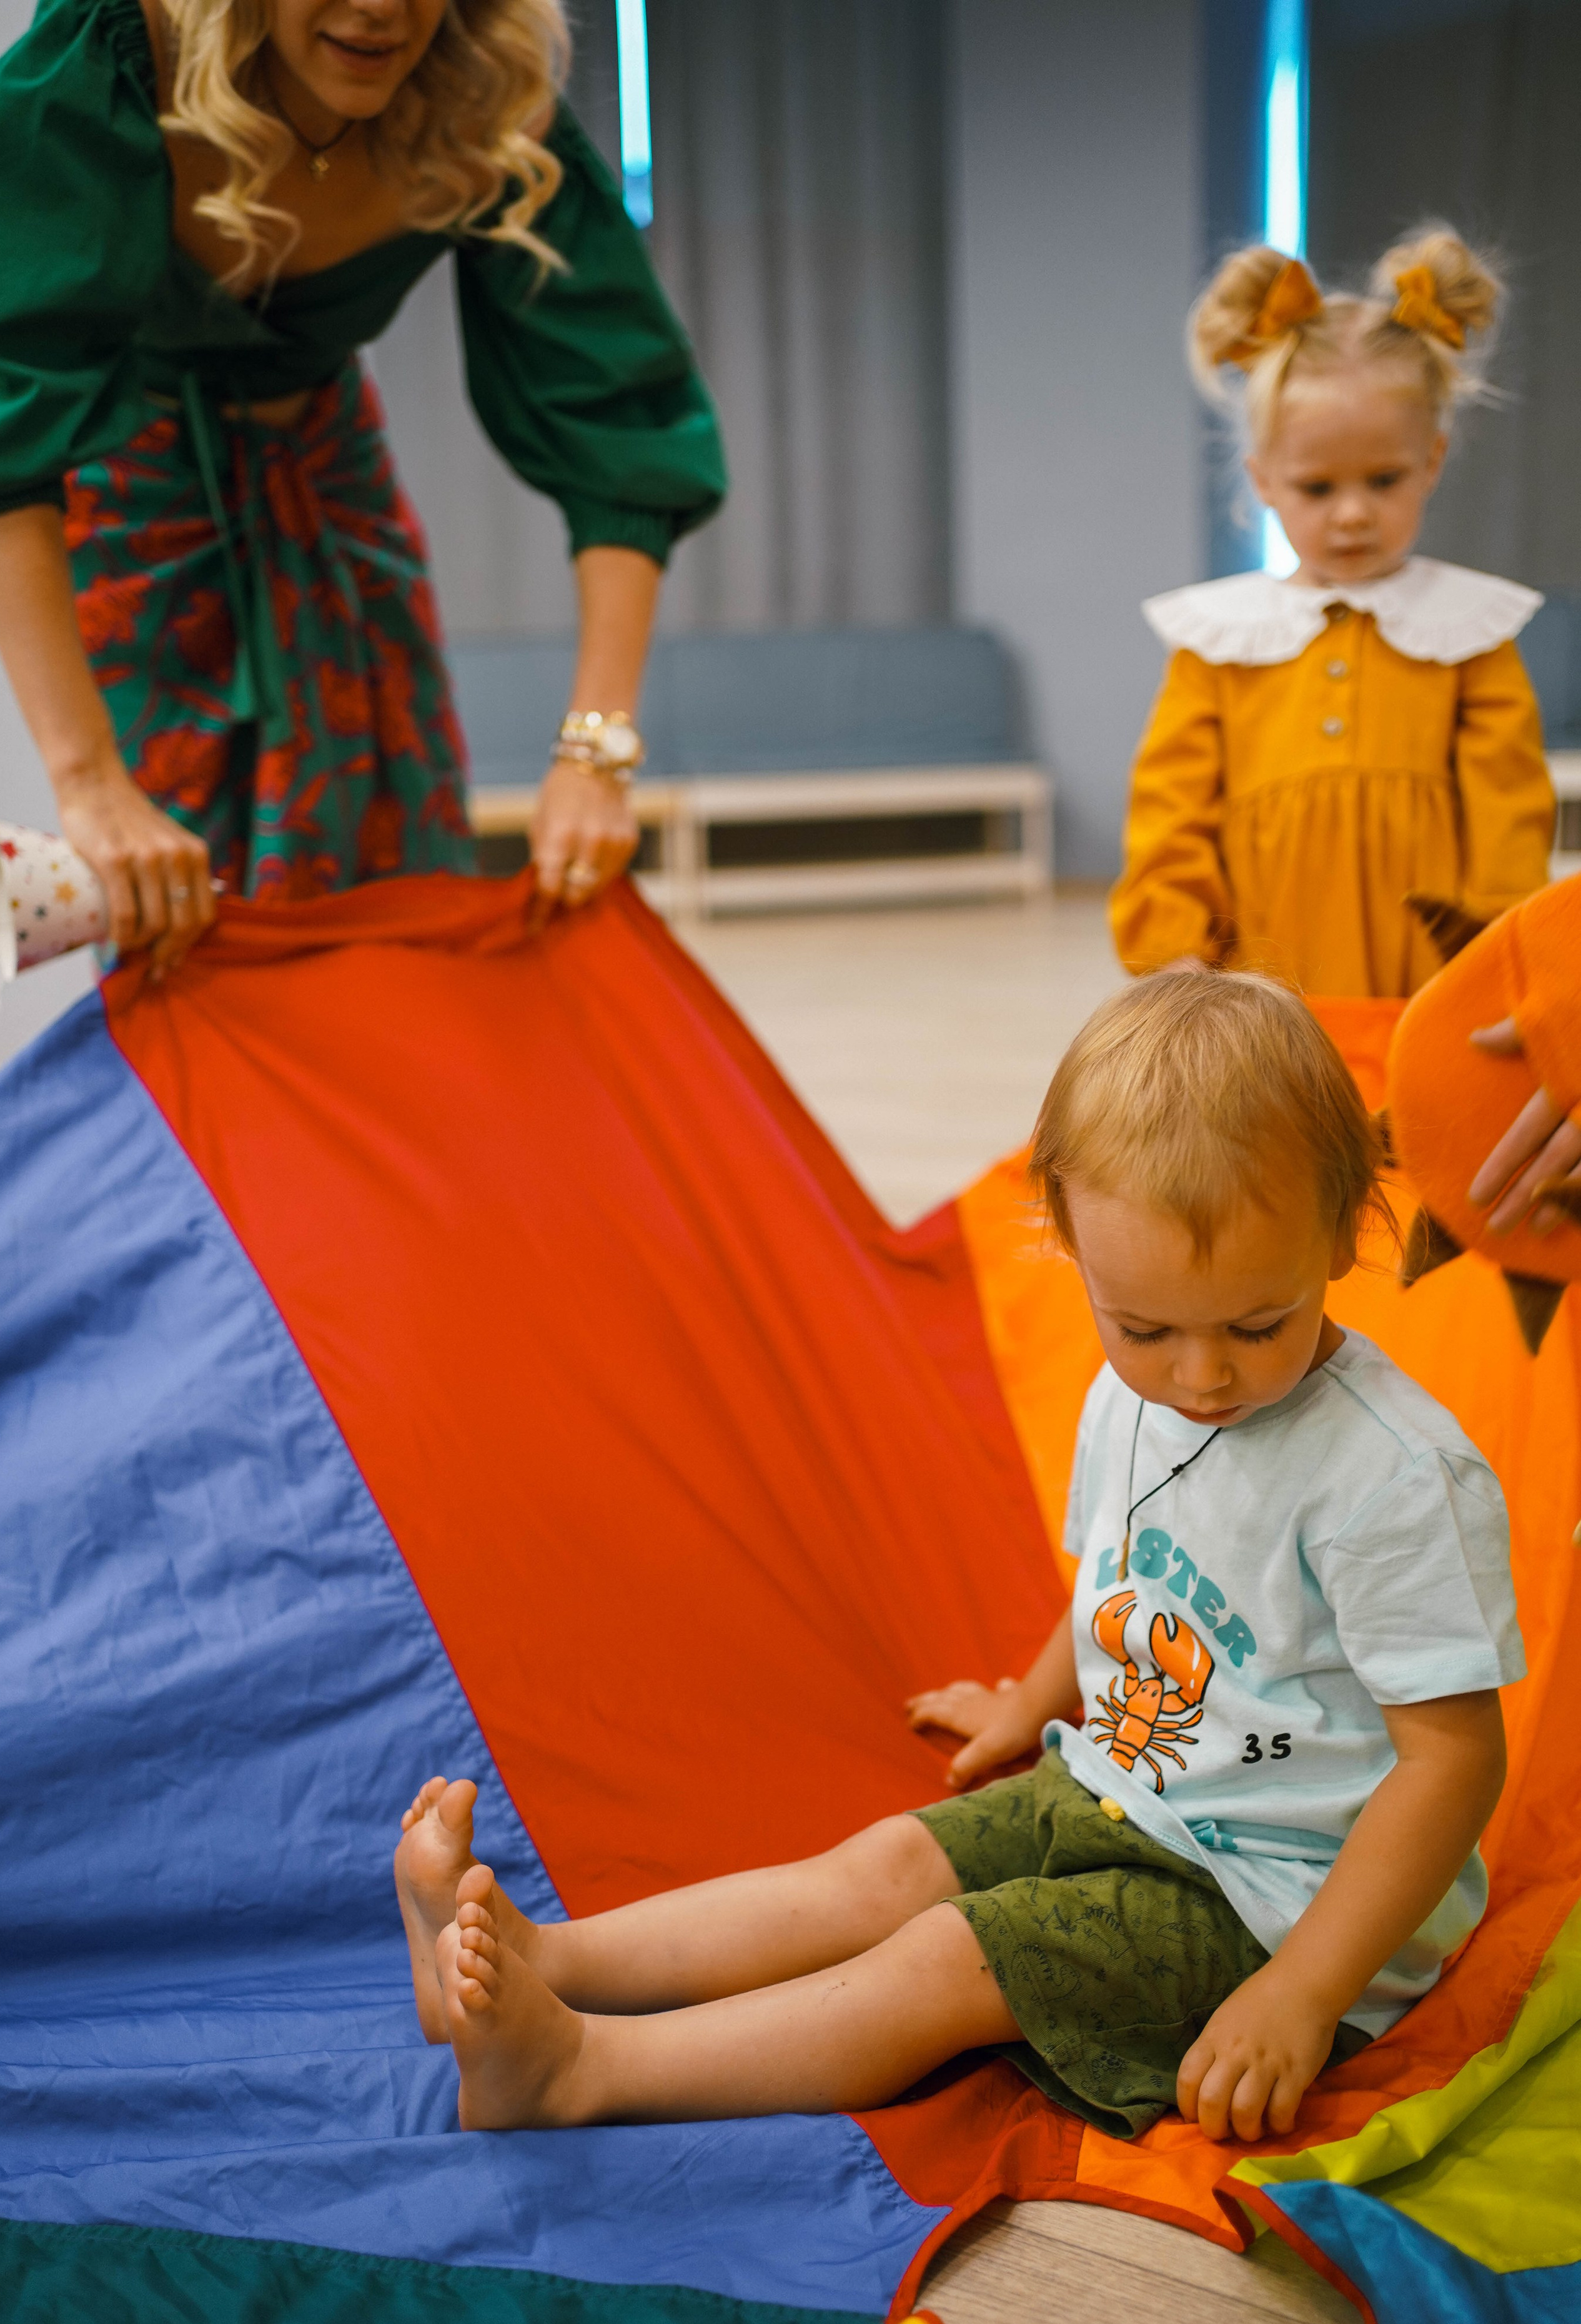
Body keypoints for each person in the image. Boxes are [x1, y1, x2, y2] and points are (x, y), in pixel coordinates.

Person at [394, 972, 1522, 2145]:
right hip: (1122, 1791)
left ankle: (578, 2068)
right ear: (1073, 1247)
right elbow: (1123, 1581)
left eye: (1256, 1325)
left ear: (1346, 1230)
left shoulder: (1393, 1477)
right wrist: (1032, 1699)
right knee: (878, 1871)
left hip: (1282, 1905)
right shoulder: (1124, 1401)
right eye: (1145, 1329)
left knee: (947, 1959)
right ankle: (549, 1957)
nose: (1202, 1378)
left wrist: (1303, 1990)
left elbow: (1452, 1764)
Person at [0, 0, 724, 974]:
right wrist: (87, 781)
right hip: (134, 509)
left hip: (332, 490)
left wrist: (595, 759)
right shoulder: (118, 51)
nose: (381, 10)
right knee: (169, 917)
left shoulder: (489, 92)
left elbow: (620, 427)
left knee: (397, 885)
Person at [1109, 228, 1553, 999]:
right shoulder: (1218, 642)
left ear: (1432, 462)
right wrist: (1174, 947)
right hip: (1259, 977)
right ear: (1264, 481)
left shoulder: (1467, 632)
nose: (1352, 515)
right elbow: (1170, 813)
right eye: (1318, 488)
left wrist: (1504, 954)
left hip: (1432, 973)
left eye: (1382, 480)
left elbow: (1508, 814)